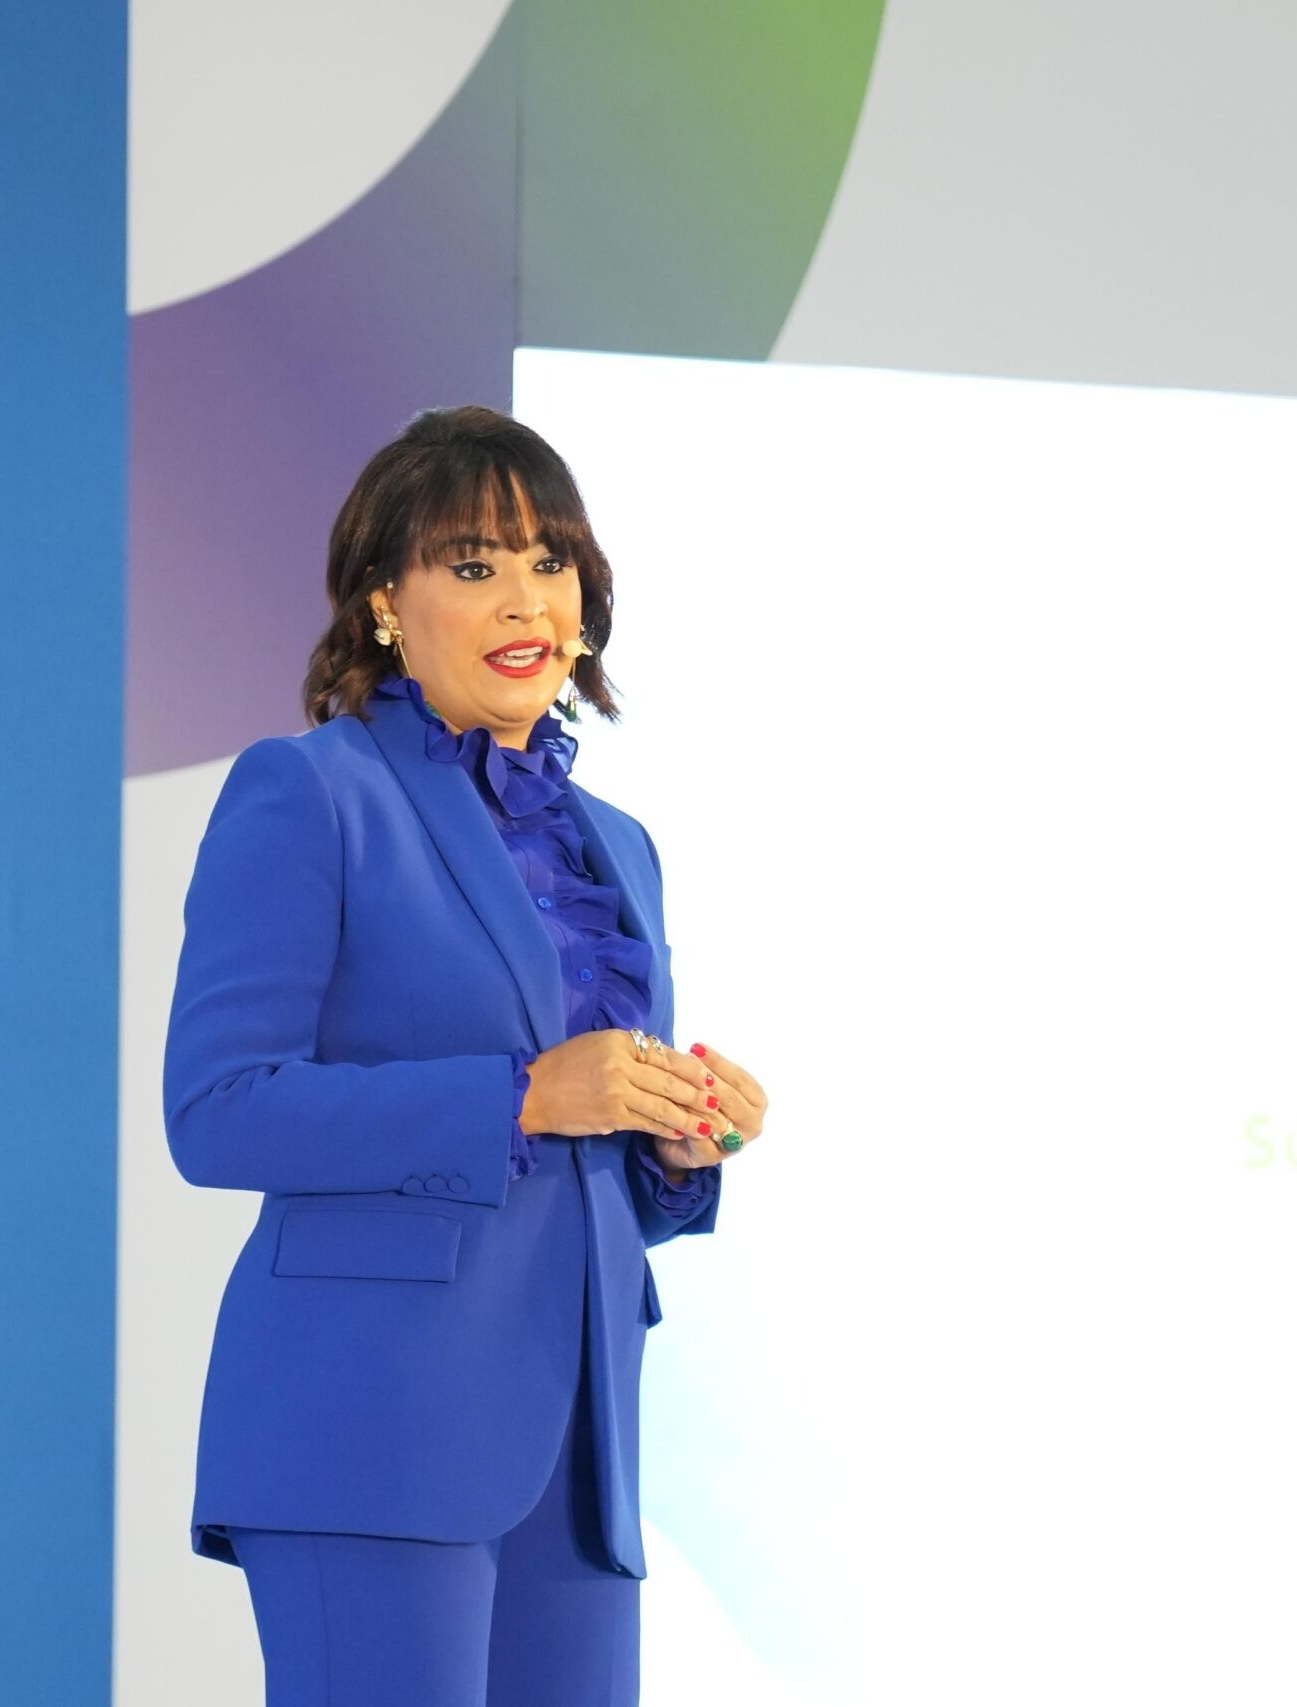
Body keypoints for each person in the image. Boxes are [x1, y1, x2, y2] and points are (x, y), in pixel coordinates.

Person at [162, 404, 769, 1706]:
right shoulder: (311, 791)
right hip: (370, 1427)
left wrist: (675, 1145)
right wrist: (525, 1096)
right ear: (386, 600)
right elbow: (218, 1110)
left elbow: (585, 1168)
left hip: (579, 1444)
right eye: (475, 564)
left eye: (551, 562)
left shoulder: (620, 843)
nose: (525, 599)